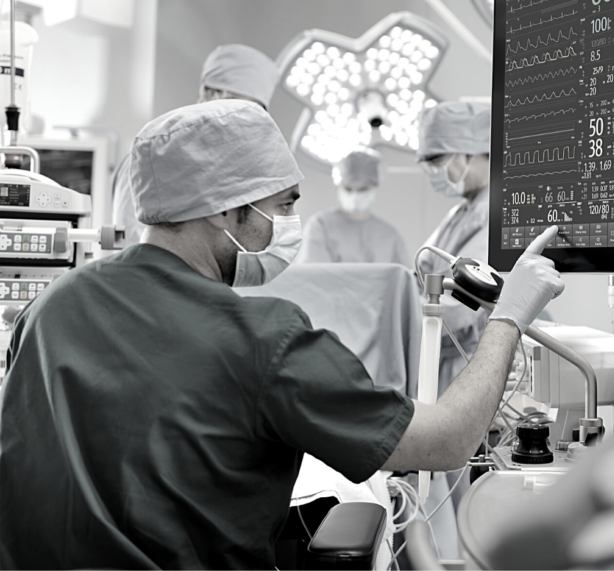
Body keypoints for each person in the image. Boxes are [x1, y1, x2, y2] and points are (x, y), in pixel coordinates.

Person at [0, 100, 564, 569]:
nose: (291, 224)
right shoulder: (261, 340)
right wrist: (510, 315)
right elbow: (446, 441)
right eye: (282, 205)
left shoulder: (50, 308)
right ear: (225, 210)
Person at [111, 43, 278, 247]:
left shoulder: (236, 172)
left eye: (255, 115)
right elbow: (131, 244)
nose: (244, 123)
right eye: (240, 108)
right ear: (209, 93)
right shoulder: (153, 157)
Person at [416, 100, 492, 394]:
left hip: (470, 364)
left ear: (472, 151)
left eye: (437, 160)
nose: (432, 171)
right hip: (444, 360)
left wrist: (403, 314)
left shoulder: (493, 214)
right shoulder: (460, 213)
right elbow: (420, 272)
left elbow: (464, 306)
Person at [296, 147, 409, 265]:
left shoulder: (389, 235)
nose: (355, 195)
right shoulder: (321, 226)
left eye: (363, 189)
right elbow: (313, 275)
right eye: (348, 188)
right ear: (338, 186)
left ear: (375, 186)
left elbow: (406, 279)